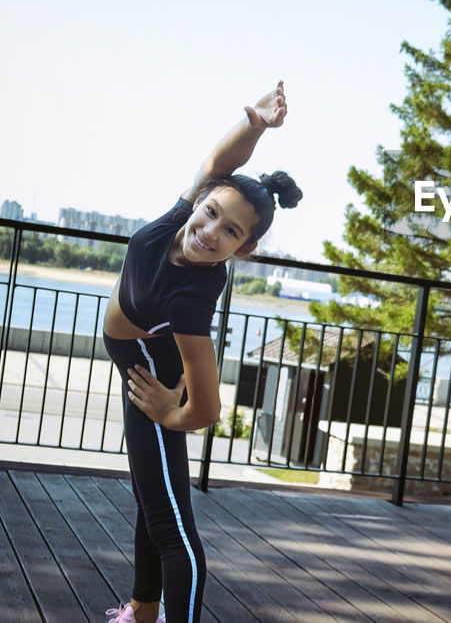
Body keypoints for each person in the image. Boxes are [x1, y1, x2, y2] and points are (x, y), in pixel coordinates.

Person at [100, 82, 301, 623]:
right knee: (152, 494)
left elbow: (207, 410)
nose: (208, 231)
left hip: (150, 377)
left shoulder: (193, 300)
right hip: (137, 364)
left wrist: (170, 409)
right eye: (210, 212)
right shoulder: (177, 220)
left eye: (229, 231)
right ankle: (143, 611)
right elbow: (218, 161)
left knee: (173, 530)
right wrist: (255, 125)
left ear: (245, 249)